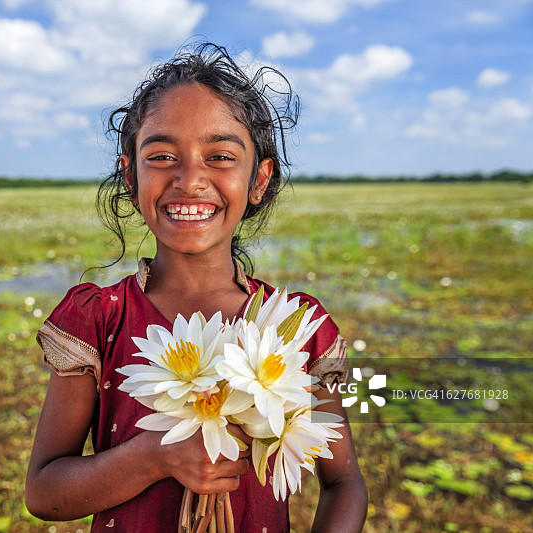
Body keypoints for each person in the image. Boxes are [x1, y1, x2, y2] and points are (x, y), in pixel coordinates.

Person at [25, 43, 367, 533]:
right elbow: (43, 492)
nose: (189, 180)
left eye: (220, 156)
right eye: (162, 156)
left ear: (259, 179)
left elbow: (344, 483)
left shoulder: (294, 326)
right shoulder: (100, 318)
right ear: (129, 174)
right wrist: (153, 457)